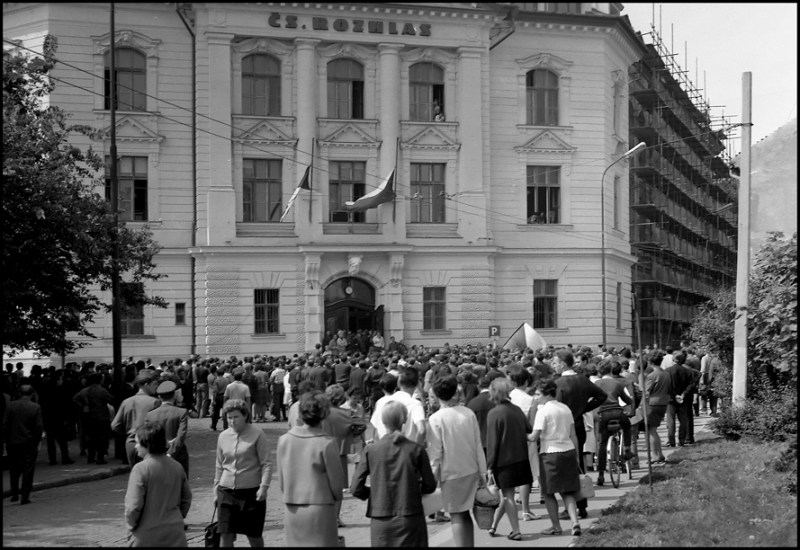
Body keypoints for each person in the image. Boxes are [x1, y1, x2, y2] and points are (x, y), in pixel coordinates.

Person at [351, 400, 438, 547]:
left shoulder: (371, 450)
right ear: (404, 420)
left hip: (380, 517)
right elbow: (430, 485)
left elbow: (355, 488)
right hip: (410, 514)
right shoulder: (416, 449)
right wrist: (414, 489)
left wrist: (374, 493)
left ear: (383, 421)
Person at [427, 374, 487, 547]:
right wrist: (482, 472)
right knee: (466, 514)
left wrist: (432, 478)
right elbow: (477, 444)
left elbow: (435, 453)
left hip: (451, 473)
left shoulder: (436, 418)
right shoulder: (468, 413)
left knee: (456, 516)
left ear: (436, 395)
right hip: (471, 469)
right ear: (456, 391)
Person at [277, 391, 343, 547]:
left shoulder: (284, 440)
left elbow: (282, 481)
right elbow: (336, 485)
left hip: (292, 507)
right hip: (321, 507)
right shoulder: (327, 442)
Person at [552, 350, 607, 519]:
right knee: (579, 464)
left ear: (563, 364)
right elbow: (601, 396)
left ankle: (569, 507)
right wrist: (584, 408)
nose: (553, 365)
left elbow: (555, 406)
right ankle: (582, 504)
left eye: (555, 363)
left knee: (564, 468)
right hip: (578, 425)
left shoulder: (558, 383)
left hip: (562, 428)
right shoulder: (583, 380)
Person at [214, 398, 272, 547]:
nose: (232, 421)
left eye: (236, 417)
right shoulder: (223, 436)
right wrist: (216, 490)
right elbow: (219, 465)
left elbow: (266, 463)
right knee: (225, 534)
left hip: (251, 493)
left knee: (253, 535)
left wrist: (264, 487)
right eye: (229, 417)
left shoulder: (257, 434)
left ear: (245, 416)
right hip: (226, 491)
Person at [528, 379, 583, 537]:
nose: (536, 397)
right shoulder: (565, 408)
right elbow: (573, 434)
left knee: (548, 492)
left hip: (550, 453)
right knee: (567, 491)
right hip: (568, 450)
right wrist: (577, 455)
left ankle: (556, 526)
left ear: (546, 394)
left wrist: (521, 434)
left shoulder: (543, 411)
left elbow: (534, 437)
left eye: (538, 394)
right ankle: (574, 521)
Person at [124, 422, 192, 547]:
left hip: (146, 535)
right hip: (175, 534)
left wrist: (131, 526)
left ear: (147, 444)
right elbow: (186, 498)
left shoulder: (140, 469)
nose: (135, 446)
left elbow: (133, 506)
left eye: (138, 443)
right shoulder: (177, 466)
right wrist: (176, 518)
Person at [485, 378, 533, 541]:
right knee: (508, 495)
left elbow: (492, 442)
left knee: (507, 496)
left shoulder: (494, 413)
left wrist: (490, 466)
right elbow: (528, 429)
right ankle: (494, 525)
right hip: (521, 457)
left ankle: (516, 530)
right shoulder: (517, 409)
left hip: (504, 460)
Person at [322, 384, 367, 527]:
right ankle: (335, 518)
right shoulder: (346, 413)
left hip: (318, 448)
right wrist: (348, 434)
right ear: (341, 397)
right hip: (338, 448)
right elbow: (361, 425)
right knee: (337, 486)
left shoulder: (319, 411)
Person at [593, 362, 635, 486]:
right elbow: (627, 400)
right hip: (617, 413)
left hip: (603, 415)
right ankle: (627, 450)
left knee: (602, 443)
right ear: (611, 370)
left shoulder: (596, 384)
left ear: (599, 372)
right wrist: (629, 402)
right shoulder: (617, 383)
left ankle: (601, 474)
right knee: (627, 426)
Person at [111, 369, 161, 467]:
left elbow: (115, 425)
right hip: (149, 444)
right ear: (146, 384)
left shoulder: (126, 402)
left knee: (136, 472)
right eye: (155, 384)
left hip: (131, 443)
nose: (157, 386)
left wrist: (129, 431)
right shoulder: (155, 402)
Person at [4, 384, 43, 504]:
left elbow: (5, 424)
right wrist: (36, 441)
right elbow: (38, 427)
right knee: (28, 470)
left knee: (14, 468)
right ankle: (24, 496)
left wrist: (6, 439)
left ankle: (14, 492)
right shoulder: (35, 407)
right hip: (29, 442)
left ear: (20, 393)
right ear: (32, 394)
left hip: (13, 441)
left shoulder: (11, 405)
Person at [145, 380, 190, 478]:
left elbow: (148, 436)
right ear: (174, 395)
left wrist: (164, 442)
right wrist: (170, 453)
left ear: (159, 397)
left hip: (157, 456)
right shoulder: (181, 412)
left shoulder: (150, 415)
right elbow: (181, 435)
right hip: (178, 455)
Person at [73, 372, 115, 465]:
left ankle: (91, 456)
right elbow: (112, 399)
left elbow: (75, 398)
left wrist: (82, 406)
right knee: (102, 437)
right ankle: (100, 457)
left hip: (90, 415)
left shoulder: (88, 390)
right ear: (100, 380)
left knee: (92, 437)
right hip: (102, 416)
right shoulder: (102, 390)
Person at [644, 350, 672, 464]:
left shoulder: (652, 375)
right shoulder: (666, 374)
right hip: (663, 402)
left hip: (653, 403)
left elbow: (646, 392)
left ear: (650, 362)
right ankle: (659, 454)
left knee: (651, 431)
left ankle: (655, 455)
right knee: (654, 430)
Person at [466, 376, 496, 457]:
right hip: (497, 440)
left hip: (480, 442)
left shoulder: (472, 403)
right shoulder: (497, 400)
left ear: (478, 386)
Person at [210, 366, 230, 431]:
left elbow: (215, 391)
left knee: (215, 411)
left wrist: (213, 400)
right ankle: (225, 426)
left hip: (218, 396)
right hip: (225, 396)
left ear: (217, 373)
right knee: (225, 412)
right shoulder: (227, 380)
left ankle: (214, 425)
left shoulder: (216, 380)